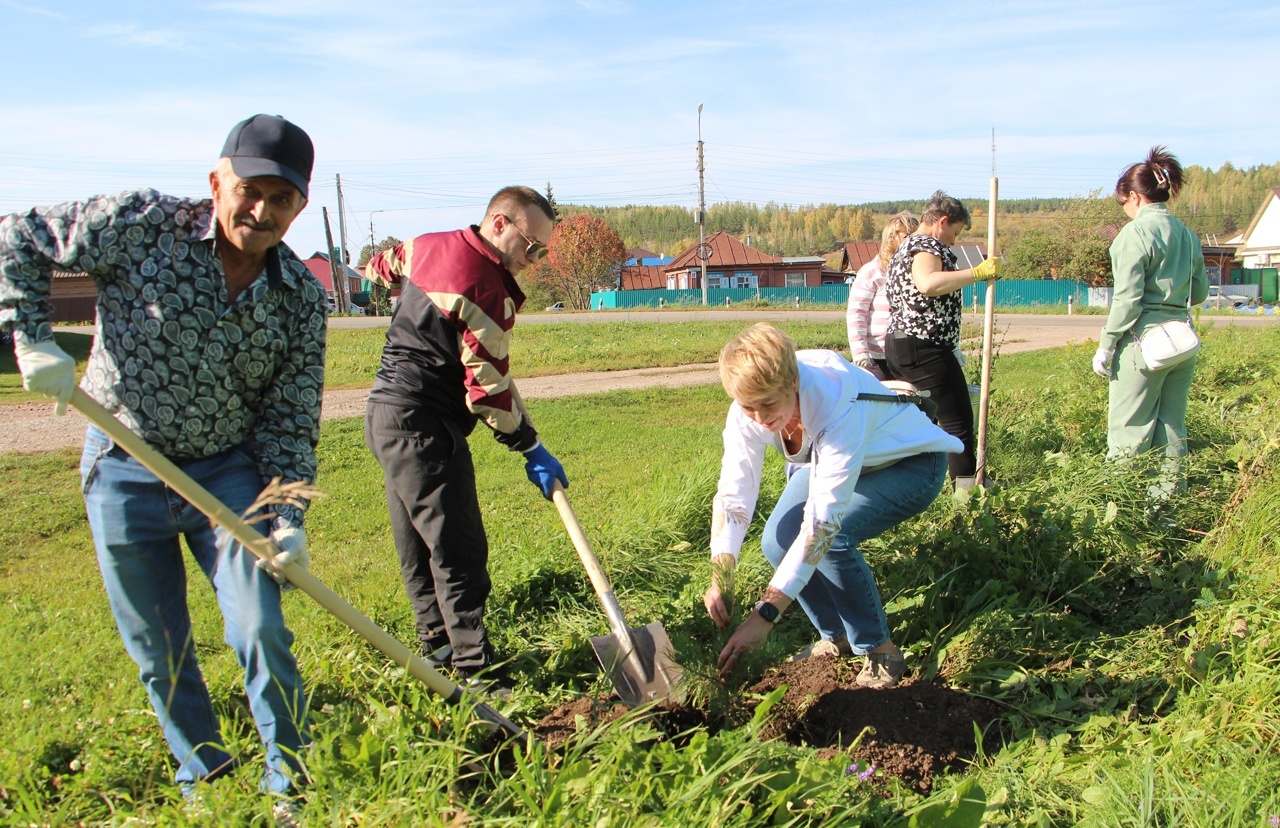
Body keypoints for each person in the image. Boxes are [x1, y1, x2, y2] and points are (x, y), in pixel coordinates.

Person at [0, 115, 326, 803]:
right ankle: (202, 774)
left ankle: (290, 785)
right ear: (217, 180)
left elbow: (291, 416)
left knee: (260, 624)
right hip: (123, 461)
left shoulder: (300, 300)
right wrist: (31, 340)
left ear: (300, 206)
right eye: (249, 190)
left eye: (282, 198)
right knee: (159, 645)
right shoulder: (141, 223)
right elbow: (16, 235)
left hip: (227, 472)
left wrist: (288, 514)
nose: (261, 211)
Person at [363, 186, 566, 688]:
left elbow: (378, 267)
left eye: (541, 251)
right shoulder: (486, 290)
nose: (532, 259)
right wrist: (529, 445)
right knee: (458, 550)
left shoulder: (427, 244)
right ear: (498, 224)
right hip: (426, 424)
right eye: (530, 245)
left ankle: (439, 660)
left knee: (417, 544)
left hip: (383, 414)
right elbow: (488, 394)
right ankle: (478, 674)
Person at [703, 324, 962, 688]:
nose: (759, 419)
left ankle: (881, 651)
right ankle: (837, 636)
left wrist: (764, 616)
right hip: (845, 463)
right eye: (749, 407)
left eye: (767, 406)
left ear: (792, 382)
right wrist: (722, 573)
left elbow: (822, 525)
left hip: (911, 464)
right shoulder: (747, 406)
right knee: (776, 541)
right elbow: (735, 492)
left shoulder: (835, 398)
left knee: (832, 542)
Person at [1092, 147, 1208, 499]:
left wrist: (1106, 344)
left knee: (1129, 430)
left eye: (1123, 203)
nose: (1124, 210)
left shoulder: (1134, 234)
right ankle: (1165, 512)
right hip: (1181, 341)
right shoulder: (1186, 234)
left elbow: (1127, 300)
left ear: (1135, 196)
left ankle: (1119, 512)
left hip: (1143, 343)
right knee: (1172, 429)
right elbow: (1200, 291)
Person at [883, 191, 1001, 489]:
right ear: (943, 222)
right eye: (955, 233)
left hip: (904, 345)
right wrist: (976, 273)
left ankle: (913, 485)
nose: (953, 241)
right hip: (924, 347)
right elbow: (928, 283)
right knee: (957, 422)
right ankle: (969, 495)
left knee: (922, 424)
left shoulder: (906, 246)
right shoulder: (926, 245)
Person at [847, 211, 919, 379]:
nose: (912, 243)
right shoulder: (872, 271)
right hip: (876, 357)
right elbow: (857, 312)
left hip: (908, 354)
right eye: (906, 236)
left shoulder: (917, 271)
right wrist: (860, 352)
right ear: (891, 238)